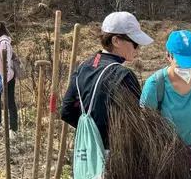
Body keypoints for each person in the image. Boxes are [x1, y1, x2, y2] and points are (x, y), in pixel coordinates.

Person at [61, 12, 152, 154]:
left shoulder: (84, 66)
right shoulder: (122, 75)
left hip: (85, 152)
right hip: (115, 155)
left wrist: (90, 130)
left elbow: (66, 112)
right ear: (116, 41)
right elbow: (133, 124)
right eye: (135, 43)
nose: (138, 49)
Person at [140, 30, 191, 175]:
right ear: (168, 56)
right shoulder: (155, 86)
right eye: (181, 64)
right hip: (167, 155)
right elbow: (145, 127)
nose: (187, 69)